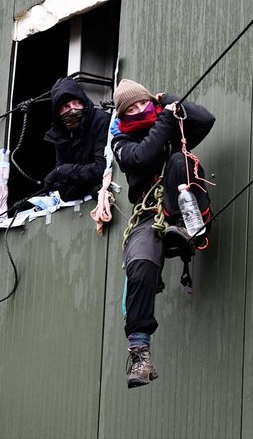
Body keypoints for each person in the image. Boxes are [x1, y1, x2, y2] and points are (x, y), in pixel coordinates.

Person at [110, 79, 215, 388]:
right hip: (148, 214)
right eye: (130, 108)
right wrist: (167, 117)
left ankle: (187, 225)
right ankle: (141, 354)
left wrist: (169, 100)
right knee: (139, 266)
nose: (139, 110)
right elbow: (143, 156)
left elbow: (205, 120)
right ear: (122, 116)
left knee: (180, 159)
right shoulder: (120, 142)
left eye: (142, 103)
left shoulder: (168, 123)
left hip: (178, 204)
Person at [43, 77, 111, 202]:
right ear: (58, 113)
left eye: (76, 103)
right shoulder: (60, 135)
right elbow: (65, 192)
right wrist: (90, 186)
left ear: (83, 103)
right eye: (66, 107)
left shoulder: (101, 121)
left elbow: (102, 169)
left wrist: (62, 172)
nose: (73, 110)